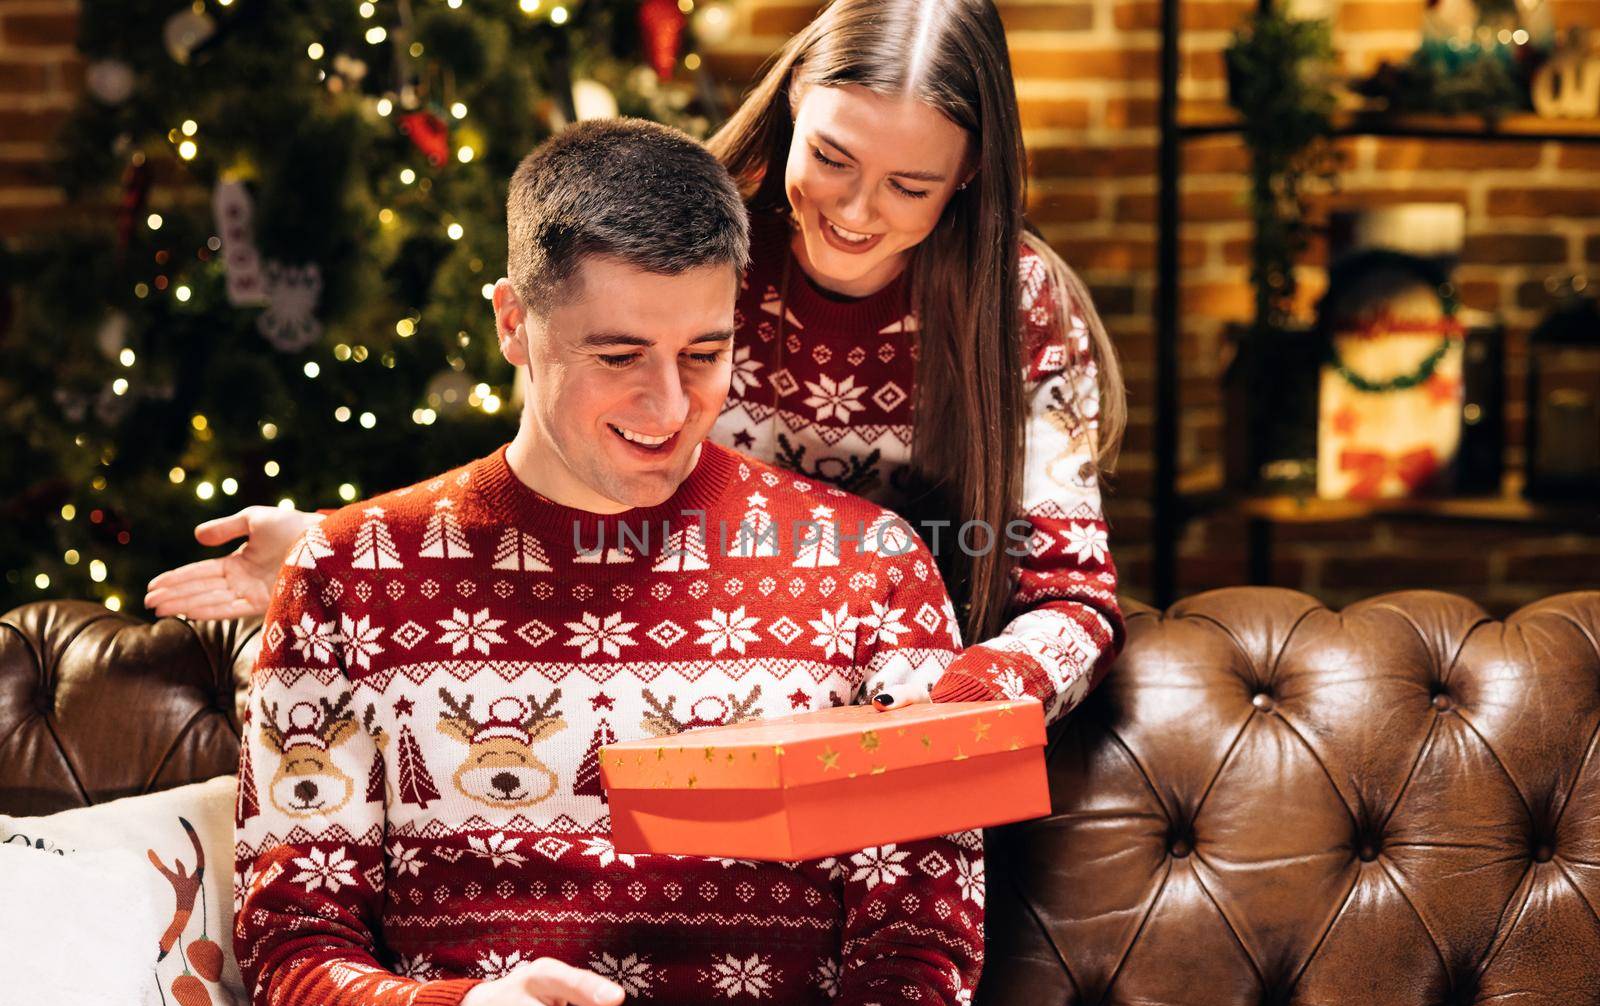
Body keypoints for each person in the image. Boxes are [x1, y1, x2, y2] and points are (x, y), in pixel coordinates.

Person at [146, 0, 1128, 731]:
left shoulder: (1017, 303)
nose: (857, 210)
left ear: (967, 177)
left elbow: (1072, 597)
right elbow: (564, 477)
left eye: (909, 184)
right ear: (792, 105)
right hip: (692, 688)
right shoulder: (697, 246)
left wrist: (952, 708)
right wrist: (344, 550)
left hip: (908, 724)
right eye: (831, 157)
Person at [234, 118, 982, 1006]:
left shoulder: (873, 566)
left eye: (704, 353)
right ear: (513, 322)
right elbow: (289, 957)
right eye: (619, 356)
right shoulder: (344, 578)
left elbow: (920, 954)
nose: (669, 409)